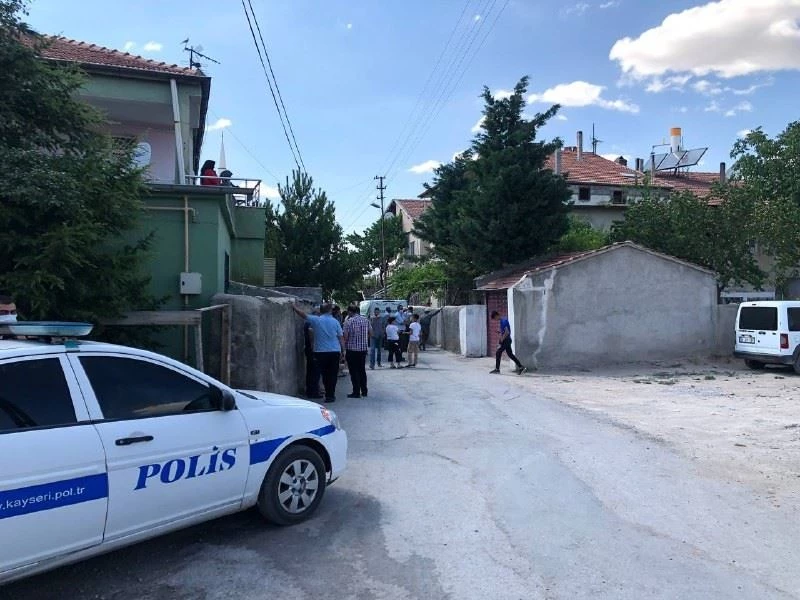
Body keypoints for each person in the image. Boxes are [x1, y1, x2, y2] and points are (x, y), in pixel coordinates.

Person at [292, 302, 344, 402]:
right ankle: (330, 395)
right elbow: (340, 337)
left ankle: (327, 392)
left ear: (321, 310)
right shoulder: (335, 322)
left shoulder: (316, 320)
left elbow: (303, 315)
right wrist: (343, 350)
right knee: (332, 374)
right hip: (334, 351)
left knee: (324, 374)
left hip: (320, 351)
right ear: (330, 311)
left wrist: (294, 307)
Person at [343, 305, 370, 398]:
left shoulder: (348, 322)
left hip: (352, 350)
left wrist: (344, 347)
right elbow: (371, 333)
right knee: (362, 370)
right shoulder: (366, 320)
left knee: (354, 371)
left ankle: (356, 392)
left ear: (350, 312)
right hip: (363, 349)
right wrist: (364, 339)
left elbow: (346, 337)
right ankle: (364, 391)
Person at [490, 310, 526, 375]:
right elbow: (505, 331)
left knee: (498, 352)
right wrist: (500, 332)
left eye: (495, 318)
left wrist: (501, 340)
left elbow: (507, 332)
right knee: (510, 354)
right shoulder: (502, 321)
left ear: (496, 315)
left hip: (506, 340)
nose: (495, 320)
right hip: (507, 340)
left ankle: (497, 369)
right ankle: (521, 367)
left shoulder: (503, 321)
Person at [303, 309, 323, 399]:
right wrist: (314, 348)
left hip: (309, 349)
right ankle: (314, 392)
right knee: (315, 371)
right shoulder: (311, 323)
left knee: (311, 371)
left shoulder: (307, 322)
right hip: (313, 350)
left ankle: (310, 391)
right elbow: (311, 334)